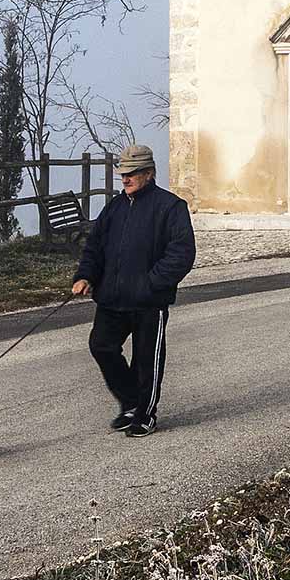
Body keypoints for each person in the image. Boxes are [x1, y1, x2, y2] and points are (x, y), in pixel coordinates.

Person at [72, 144, 196, 437]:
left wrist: (150, 285)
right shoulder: (114, 207)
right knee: (101, 346)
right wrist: (86, 275)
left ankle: (145, 413)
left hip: (148, 302)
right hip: (111, 300)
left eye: (132, 173)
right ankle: (130, 402)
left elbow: (182, 254)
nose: (125, 179)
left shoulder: (170, 207)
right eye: (123, 174)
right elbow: (95, 247)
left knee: (146, 361)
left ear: (149, 174)